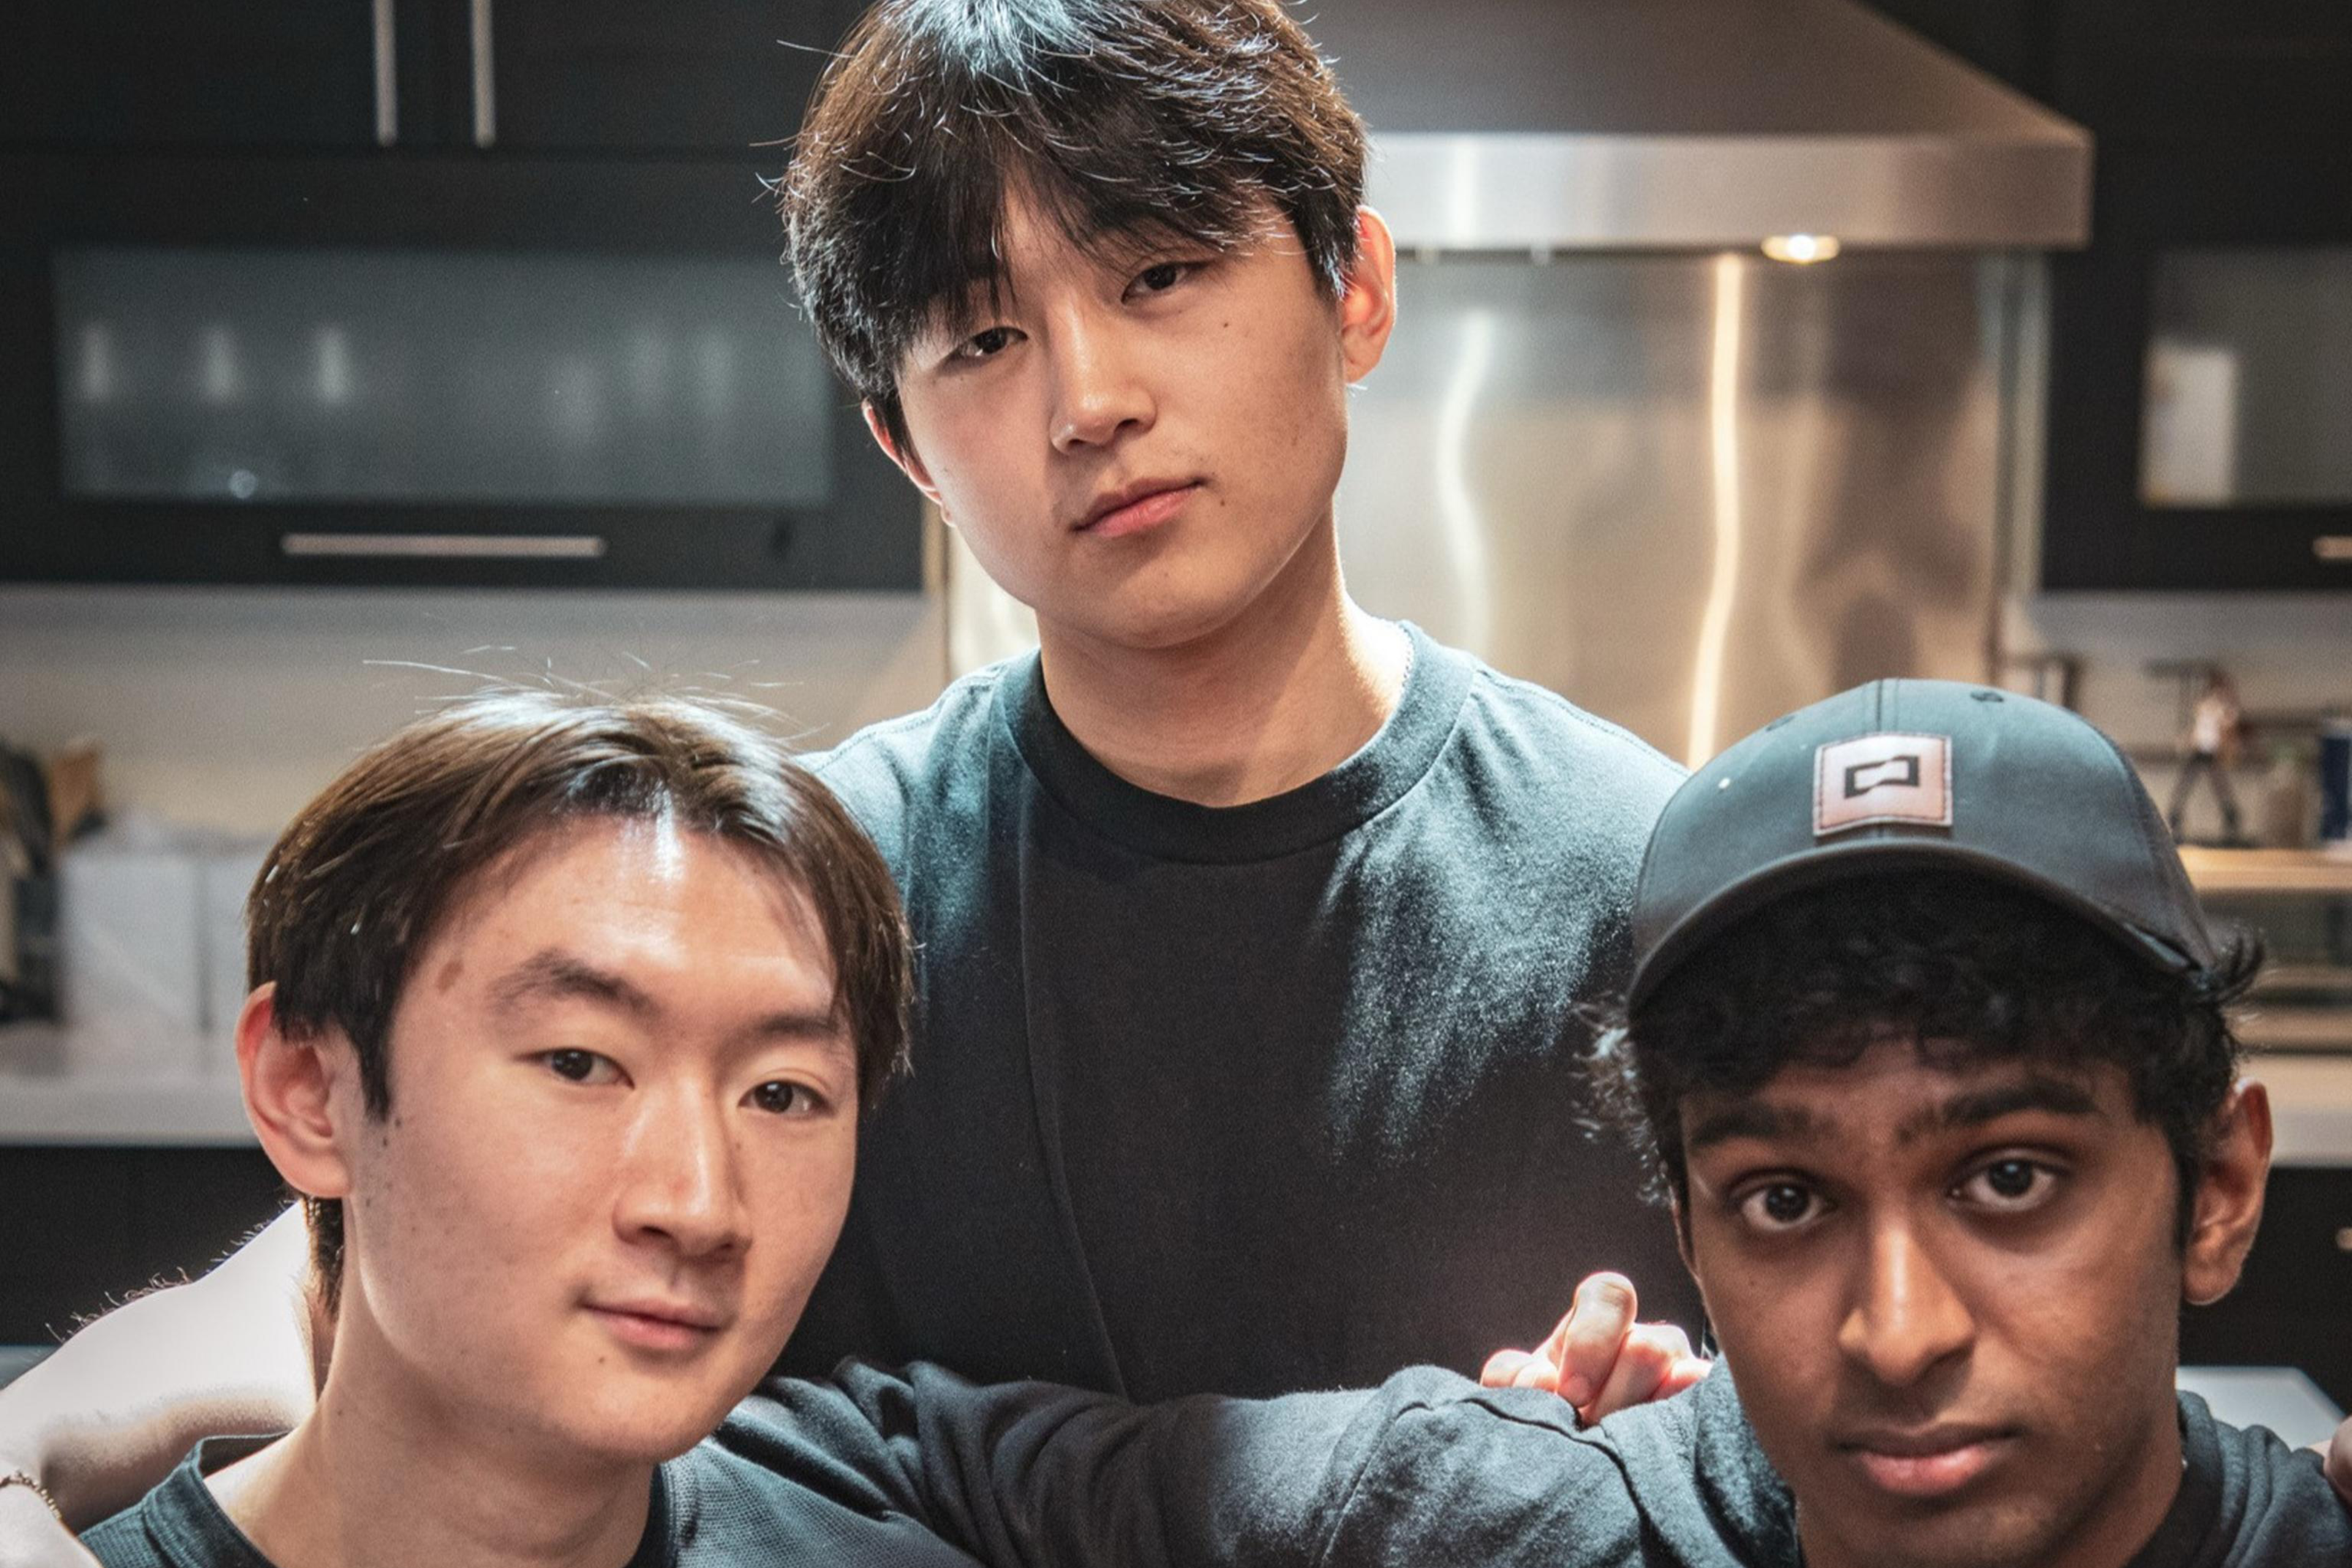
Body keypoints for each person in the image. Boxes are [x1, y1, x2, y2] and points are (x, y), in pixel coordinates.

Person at [17, 691, 1689, 1568]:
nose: (697, 1199)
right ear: (310, 1088)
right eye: (583, 1064)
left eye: (784, 1095)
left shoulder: (875, 1510)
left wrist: (1540, 1465)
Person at [699, 679, 2352, 1566]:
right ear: (1685, 1233)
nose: (1896, 1330)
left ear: (2215, 1190)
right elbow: (836, 1461)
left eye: (2008, 1178)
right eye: (1784, 1199)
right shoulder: (1494, 1518)